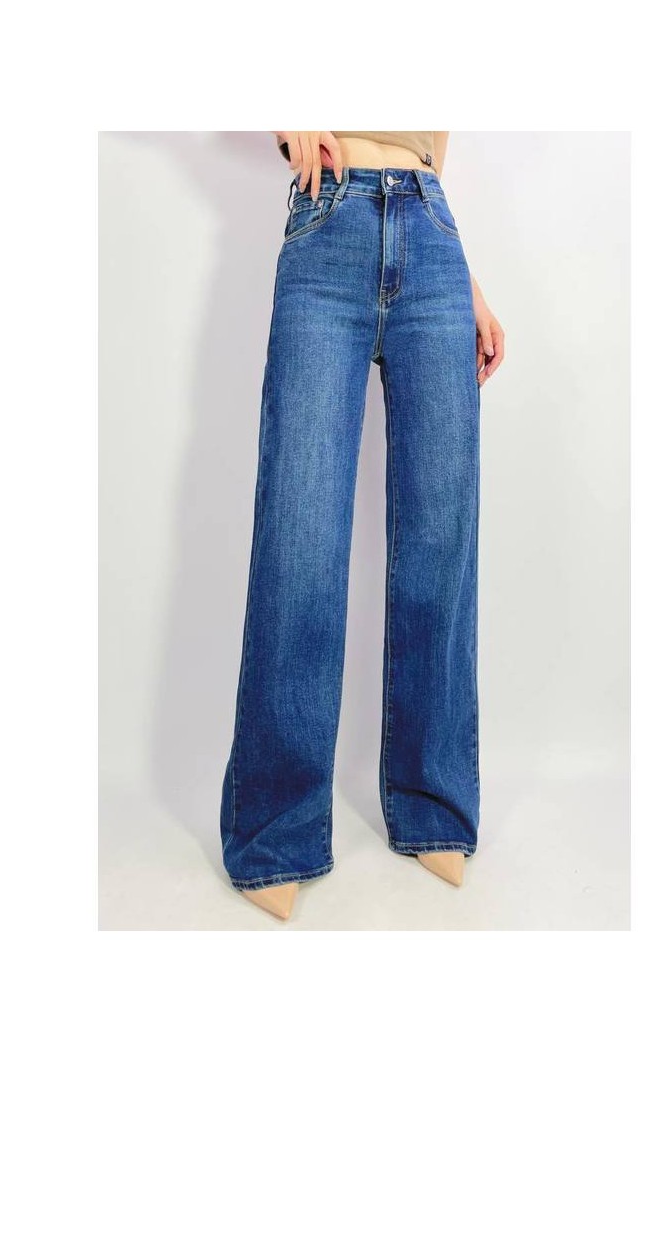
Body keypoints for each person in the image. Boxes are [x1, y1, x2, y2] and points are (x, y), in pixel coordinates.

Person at [219, 131, 505, 920]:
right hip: (329, 224)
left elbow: (431, 154)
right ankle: (275, 831)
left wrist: (468, 285)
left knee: (440, 540)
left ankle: (432, 803)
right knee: (300, 537)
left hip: (435, 240)